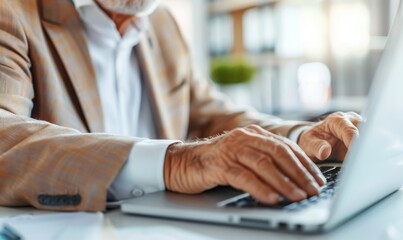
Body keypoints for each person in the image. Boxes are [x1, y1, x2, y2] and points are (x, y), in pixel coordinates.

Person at [0, 0, 361, 211]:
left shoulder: (160, 22)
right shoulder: (13, 13)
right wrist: (176, 162)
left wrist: (304, 140)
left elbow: (211, 115)